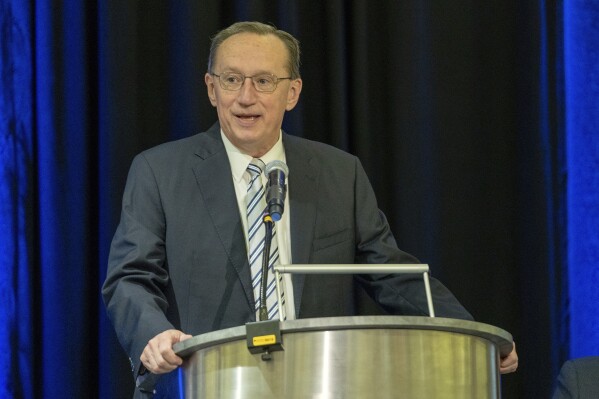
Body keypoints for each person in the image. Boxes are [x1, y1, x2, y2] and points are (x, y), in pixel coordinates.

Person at [102, 21, 518, 397]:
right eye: (232, 80)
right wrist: (154, 336)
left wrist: (474, 336)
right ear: (211, 89)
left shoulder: (339, 173)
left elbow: (392, 274)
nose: (246, 97)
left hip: (320, 383)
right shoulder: (159, 171)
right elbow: (129, 278)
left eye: (264, 81)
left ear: (293, 93)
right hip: (203, 382)